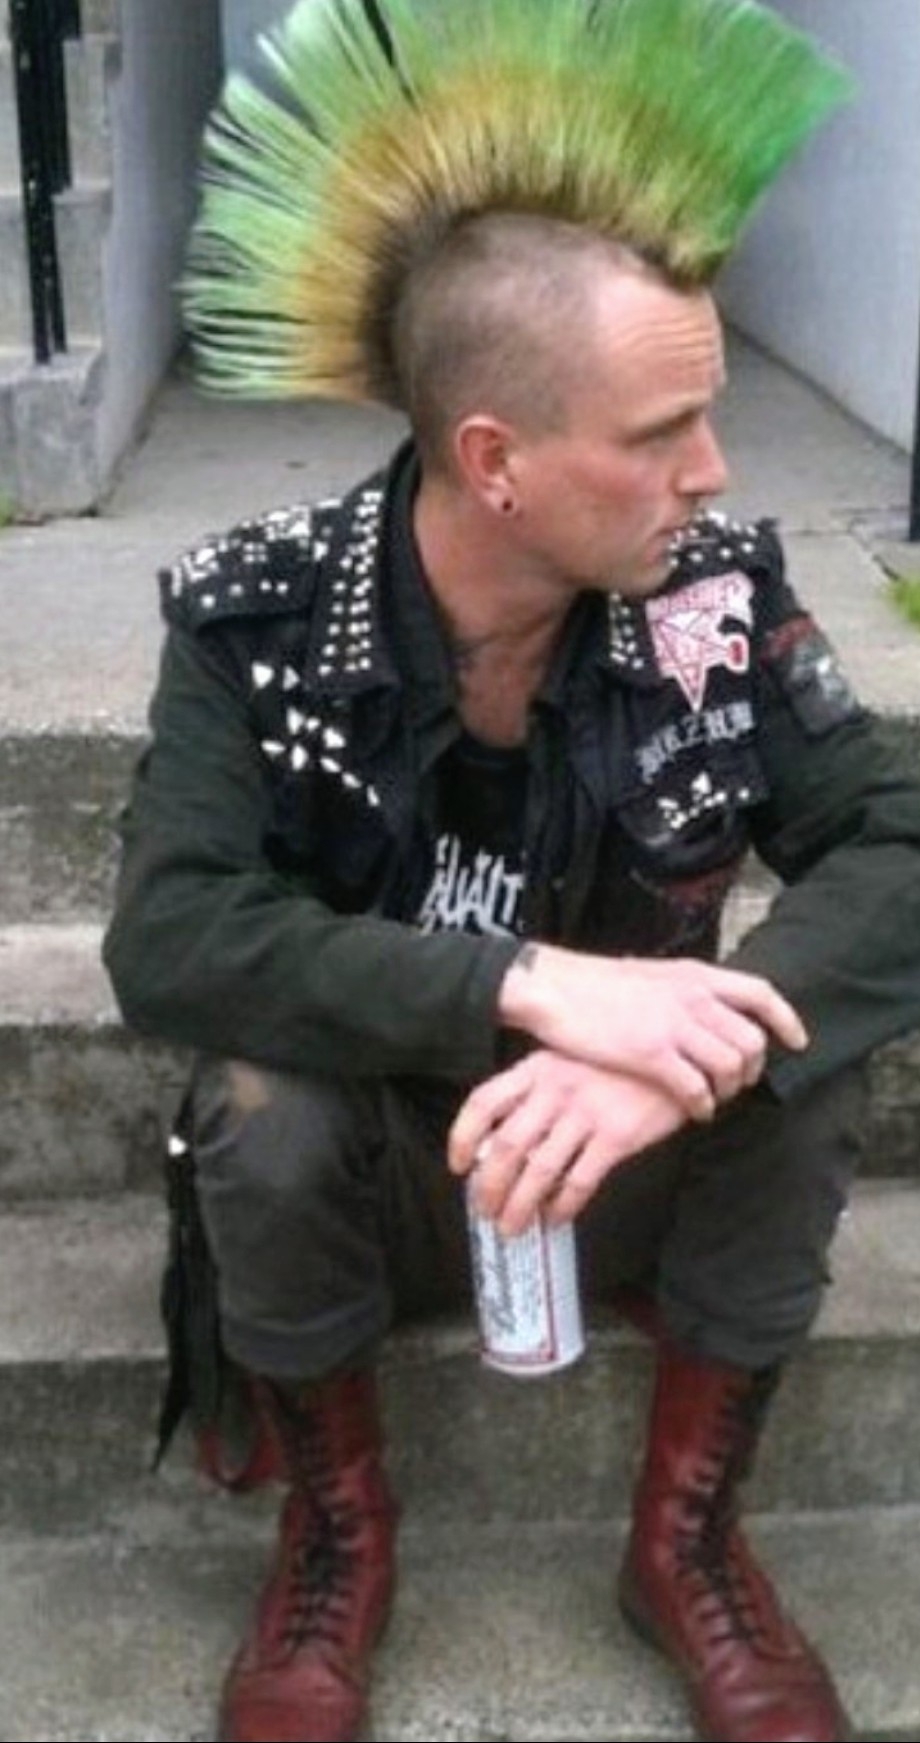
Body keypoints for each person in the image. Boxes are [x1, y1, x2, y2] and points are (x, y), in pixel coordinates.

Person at [102, 3, 920, 1741]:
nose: (714, 470)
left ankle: (686, 1545)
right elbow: (170, 935)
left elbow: (900, 842)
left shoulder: (710, 596)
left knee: (794, 1047)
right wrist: (539, 988)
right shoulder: (257, 621)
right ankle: (339, 1535)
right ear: (497, 461)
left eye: (709, 415)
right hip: (387, 1179)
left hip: (625, 1172)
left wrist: (668, 1060)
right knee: (256, 1094)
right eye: (663, 429)